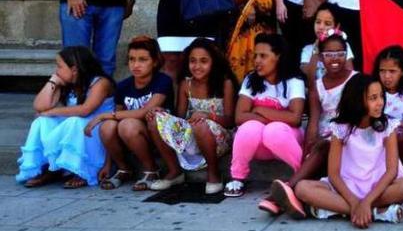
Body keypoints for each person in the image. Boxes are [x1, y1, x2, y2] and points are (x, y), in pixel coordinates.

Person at [293, 74, 403, 227]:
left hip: (379, 188)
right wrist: (355, 203)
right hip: (347, 188)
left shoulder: (388, 127)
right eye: (373, 98)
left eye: (381, 96)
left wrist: (367, 201)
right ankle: (374, 212)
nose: (380, 102)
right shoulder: (340, 129)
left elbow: (391, 171)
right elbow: (333, 174)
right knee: (302, 188)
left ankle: (338, 210)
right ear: (357, 101)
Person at [268, 34, 358, 217]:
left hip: (350, 135)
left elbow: (357, 116)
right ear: (321, 57)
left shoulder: (356, 80)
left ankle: (285, 191)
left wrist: (329, 139)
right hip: (324, 136)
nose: (334, 59)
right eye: (329, 54)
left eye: (340, 53)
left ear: (346, 54)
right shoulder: (317, 85)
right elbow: (314, 120)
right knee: (317, 147)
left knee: (325, 146)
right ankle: (292, 197)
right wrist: (310, 142)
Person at [16, 46, 115, 188]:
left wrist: (52, 112)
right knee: (41, 122)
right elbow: (39, 106)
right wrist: (53, 81)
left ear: (74, 69)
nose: (57, 71)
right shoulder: (66, 83)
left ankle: (80, 171)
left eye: (59, 66)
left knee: (74, 121)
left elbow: (85, 110)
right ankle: (51, 168)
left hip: (95, 129)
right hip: (75, 128)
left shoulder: (100, 83)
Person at [148, 38, 237, 195]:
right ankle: (175, 171)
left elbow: (231, 121)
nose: (197, 66)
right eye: (193, 61)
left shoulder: (225, 83)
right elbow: (180, 117)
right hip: (192, 134)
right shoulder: (186, 84)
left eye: (203, 61)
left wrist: (207, 115)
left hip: (219, 137)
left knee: (200, 124)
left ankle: (213, 173)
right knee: (154, 119)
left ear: (213, 62)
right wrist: (161, 113)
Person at [86, 36, 172, 190]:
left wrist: (104, 115)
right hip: (129, 138)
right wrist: (107, 163)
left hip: (157, 135)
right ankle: (123, 168)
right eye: (132, 59)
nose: (136, 65)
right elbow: (115, 119)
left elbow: (145, 111)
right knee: (107, 127)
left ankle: (151, 169)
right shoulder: (123, 86)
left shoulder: (162, 81)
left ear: (155, 62)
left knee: (127, 124)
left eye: (142, 60)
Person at [225, 34, 305, 198]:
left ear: (278, 56)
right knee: (249, 128)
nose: (257, 61)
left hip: (284, 140)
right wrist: (278, 116)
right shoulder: (250, 79)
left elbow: (295, 119)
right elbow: (239, 117)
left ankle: (302, 172)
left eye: (263, 56)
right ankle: (237, 177)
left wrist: (259, 110)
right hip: (258, 145)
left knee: (274, 130)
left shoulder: (294, 81)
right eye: (255, 55)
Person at [374, 46, 403, 174]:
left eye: (392, 71)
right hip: (378, 132)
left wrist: (393, 125)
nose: (386, 76)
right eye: (382, 71)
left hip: (400, 133)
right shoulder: (373, 86)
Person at [299, 4, 354, 81]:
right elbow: (308, 77)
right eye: (318, 22)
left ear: (337, 26)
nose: (321, 27)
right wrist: (316, 51)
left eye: (327, 23)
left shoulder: (344, 46)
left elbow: (349, 74)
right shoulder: (307, 50)